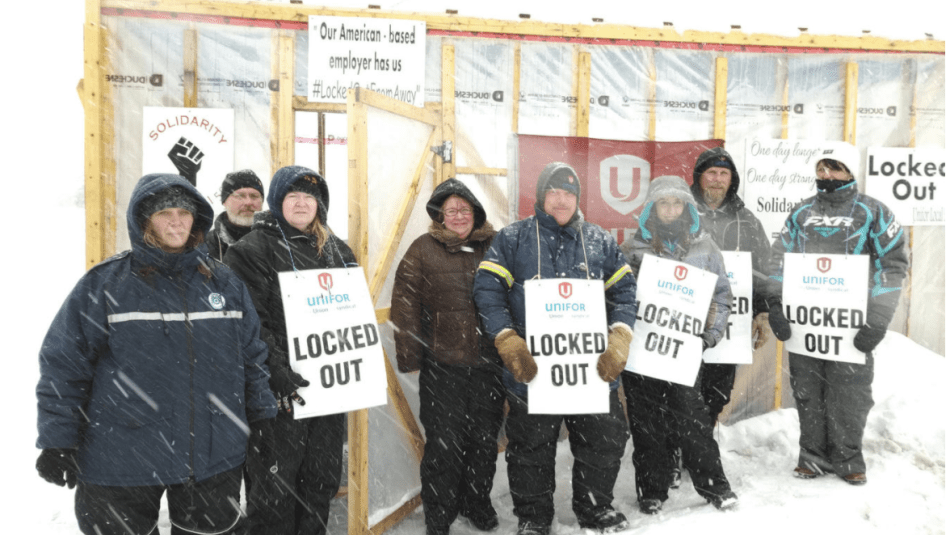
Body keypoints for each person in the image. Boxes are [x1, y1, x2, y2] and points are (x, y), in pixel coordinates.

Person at [35, 173, 277, 535]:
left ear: (197, 218)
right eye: (165, 213)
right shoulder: (105, 284)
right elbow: (65, 364)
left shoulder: (223, 284)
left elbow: (252, 358)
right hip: (121, 454)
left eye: (184, 211)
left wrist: (262, 418)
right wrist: (58, 440)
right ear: (144, 219)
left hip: (211, 451)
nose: (177, 220)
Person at [473, 162, 637, 535]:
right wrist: (505, 338)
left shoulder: (600, 241)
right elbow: (487, 289)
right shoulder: (513, 239)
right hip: (532, 373)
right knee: (530, 448)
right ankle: (533, 518)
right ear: (541, 197)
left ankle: (596, 510)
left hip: (591, 372)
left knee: (603, 441)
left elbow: (625, 291)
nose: (561, 200)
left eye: (568, 193)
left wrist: (621, 335)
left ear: (577, 199)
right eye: (553, 192)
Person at [223, 165, 359, 535]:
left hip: (327, 392)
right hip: (279, 395)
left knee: (320, 480)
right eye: (292, 196)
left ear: (320, 204)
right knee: (275, 488)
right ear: (278, 202)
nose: (301, 203)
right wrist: (277, 371)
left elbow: (351, 316)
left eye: (309, 197)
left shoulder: (337, 250)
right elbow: (250, 322)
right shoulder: (251, 251)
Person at [767, 141, 908, 486]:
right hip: (806, 326)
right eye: (821, 167)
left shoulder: (874, 211)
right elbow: (776, 261)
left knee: (850, 393)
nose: (827, 174)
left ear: (849, 171)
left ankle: (847, 458)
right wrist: (775, 304)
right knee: (807, 391)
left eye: (835, 167)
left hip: (851, 327)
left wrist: (878, 319)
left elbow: (893, 267)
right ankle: (812, 456)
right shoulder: (800, 213)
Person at [392, 178, 505, 535]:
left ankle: (477, 502)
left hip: (488, 366)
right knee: (443, 444)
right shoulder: (422, 249)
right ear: (440, 216)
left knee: (484, 441)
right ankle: (439, 514)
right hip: (443, 367)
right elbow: (405, 304)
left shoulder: (497, 246)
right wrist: (410, 355)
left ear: (476, 213)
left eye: (464, 210)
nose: (458, 216)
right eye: (450, 210)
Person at [619, 175, 738, 515]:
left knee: (694, 421)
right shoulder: (631, 249)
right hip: (643, 354)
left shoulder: (705, 247)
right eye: (663, 203)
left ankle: (714, 486)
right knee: (646, 424)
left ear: (687, 208)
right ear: (651, 208)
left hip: (684, 354)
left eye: (677, 203)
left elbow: (721, 295)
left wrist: (709, 336)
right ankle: (652, 489)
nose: (670, 209)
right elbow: (618, 297)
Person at [690, 147, 773, 425]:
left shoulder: (747, 221)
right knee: (682, 389)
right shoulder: (681, 212)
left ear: (732, 179)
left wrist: (763, 312)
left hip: (730, 323)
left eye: (724, 173)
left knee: (716, 392)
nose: (717, 179)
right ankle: (676, 452)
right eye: (711, 172)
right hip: (686, 317)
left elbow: (764, 270)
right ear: (700, 177)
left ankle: (702, 448)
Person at [206, 169, 266, 261]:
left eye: (254, 196)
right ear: (224, 202)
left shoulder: (279, 242)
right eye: (240, 196)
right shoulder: (204, 246)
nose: (248, 202)